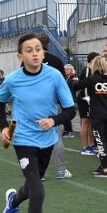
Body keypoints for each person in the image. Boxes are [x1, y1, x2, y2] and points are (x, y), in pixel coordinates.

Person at [0, 33, 76, 213]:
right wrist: (2, 128)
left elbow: (71, 110)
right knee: (38, 191)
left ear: (43, 53)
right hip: (23, 141)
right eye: (28, 50)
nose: (34, 53)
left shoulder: (54, 76)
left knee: (30, 188)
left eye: (38, 49)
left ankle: (13, 200)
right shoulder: (12, 80)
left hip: (47, 140)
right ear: (20, 56)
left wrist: (54, 120)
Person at [69, 56, 107, 178]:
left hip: (98, 115)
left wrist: (72, 78)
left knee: (100, 142)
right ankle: (103, 166)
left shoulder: (91, 79)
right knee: (103, 141)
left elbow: (75, 86)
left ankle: (105, 170)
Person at [35, 34, 72, 180]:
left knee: (36, 137)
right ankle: (61, 170)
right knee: (56, 138)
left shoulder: (30, 60)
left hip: (34, 104)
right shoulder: (56, 61)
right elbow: (62, 85)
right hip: (52, 104)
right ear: (49, 44)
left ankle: (38, 172)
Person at [77, 52, 99, 156]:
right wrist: (87, 98)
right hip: (84, 100)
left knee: (90, 123)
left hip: (90, 99)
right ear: (92, 59)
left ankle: (91, 145)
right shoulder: (87, 70)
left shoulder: (93, 70)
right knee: (85, 122)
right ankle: (85, 147)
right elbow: (84, 85)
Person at [62, 64, 77, 138]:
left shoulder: (73, 79)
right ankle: (66, 130)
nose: (66, 71)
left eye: (68, 69)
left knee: (67, 115)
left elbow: (74, 87)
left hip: (70, 100)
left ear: (71, 70)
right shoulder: (65, 78)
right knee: (64, 114)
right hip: (64, 100)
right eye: (65, 69)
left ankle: (70, 131)